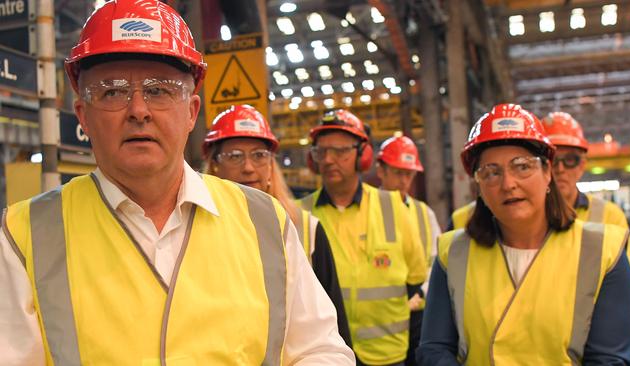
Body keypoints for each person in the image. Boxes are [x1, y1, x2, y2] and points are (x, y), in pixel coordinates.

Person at [0, 1, 355, 364]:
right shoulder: (26, 237)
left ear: (191, 111)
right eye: (112, 91)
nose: (139, 110)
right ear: (83, 116)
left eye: (159, 90)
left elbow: (320, 349)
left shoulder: (265, 221)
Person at [417, 103, 630, 364]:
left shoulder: (604, 251)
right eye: (491, 172)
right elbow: (434, 349)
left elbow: (609, 359)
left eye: (522, 166)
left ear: (547, 173)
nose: (508, 184)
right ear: (479, 187)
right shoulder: (452, 252)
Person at [202, 104, 352, 347]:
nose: (248, 167)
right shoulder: (194, 227)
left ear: (271, 166)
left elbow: (334, 330)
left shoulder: (307, 229)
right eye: (235, 156)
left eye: (259, 155)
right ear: (215, 165)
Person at [299, 109, 427, 366]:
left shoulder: (393, 207)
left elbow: (416, 279)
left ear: (363, 155)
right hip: (324, 354)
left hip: (387, 354)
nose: (329, 160)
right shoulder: (299, 213)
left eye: (340, 151)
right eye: (321, 152)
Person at [375, 135, 441, 365]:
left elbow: (437, 262)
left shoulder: (425, 213)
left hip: (418, 314)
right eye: (398, 172)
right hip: (379, 319)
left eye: (409, 174)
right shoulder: (365, 211)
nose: (404, 181)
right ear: (380, 170)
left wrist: (421, 293)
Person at [542, 111, 630, 262]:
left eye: (570, 160)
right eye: (552, 160)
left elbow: (620, 278)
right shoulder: (526, 217)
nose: (560, 169)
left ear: (582, 165)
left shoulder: (610, 216)